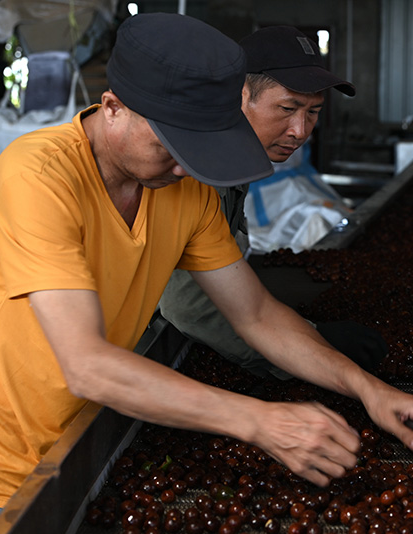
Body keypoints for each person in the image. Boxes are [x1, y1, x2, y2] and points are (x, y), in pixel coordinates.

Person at [0, 13, 413, 534]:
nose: (183, 167)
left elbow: (257, 315)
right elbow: (85, 364)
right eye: (170, 145)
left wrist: (367, 388)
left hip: (83, 446)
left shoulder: (185, 186)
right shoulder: (38, 176)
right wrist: (259, 421)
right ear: (113, 108)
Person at [158, 25, 387, 380]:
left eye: (313, 112)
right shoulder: (198, 168)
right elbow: (187, 305)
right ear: (240, 94)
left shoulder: (237, 161)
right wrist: (307, 350)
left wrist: (302, 339)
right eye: (287, 108)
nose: (300, 130)